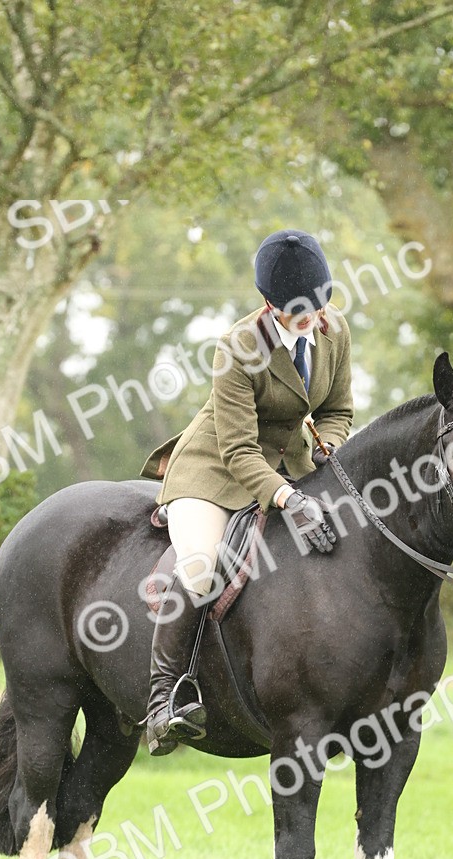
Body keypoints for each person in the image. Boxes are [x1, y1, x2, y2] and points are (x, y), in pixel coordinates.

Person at [139, 229, 354, 754]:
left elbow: (338, 410)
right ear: (268, 305)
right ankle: (164, 700)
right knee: (200, 567)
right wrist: (287, 498)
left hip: (297, 466)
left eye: (317, 306)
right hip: (216, 469)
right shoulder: (237, 348)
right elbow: (238, 450)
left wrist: (328, 447)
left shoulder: (335, 330)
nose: (311, 320)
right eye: (297, 312)